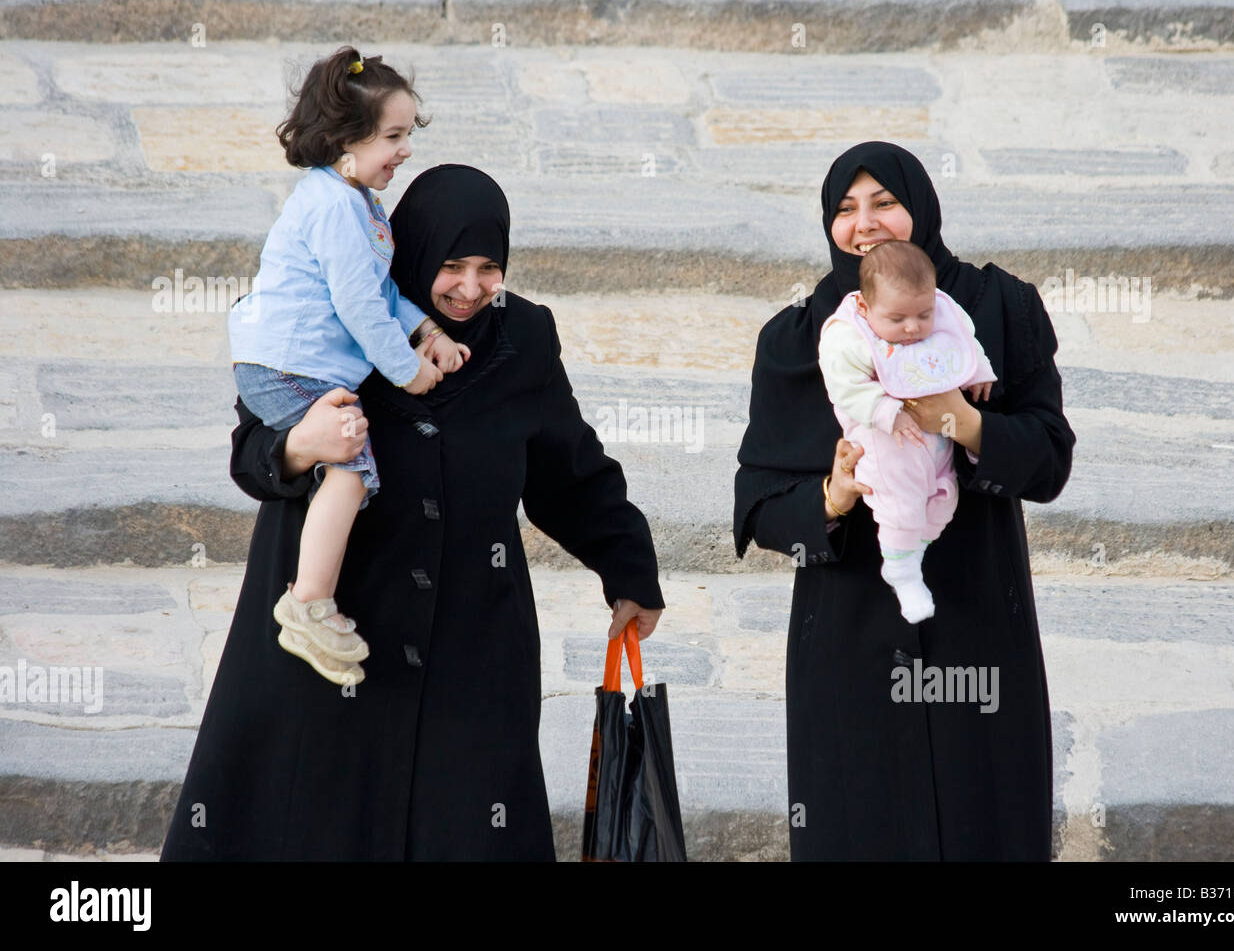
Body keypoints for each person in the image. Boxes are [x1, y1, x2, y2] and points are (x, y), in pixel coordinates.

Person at [162, 164, 665, 860]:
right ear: (413, 254)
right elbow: (252, 458)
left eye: (489, 268)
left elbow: (569, 472)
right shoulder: (330, 311)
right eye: (451, 266)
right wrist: (301, 446)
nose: (470, 288)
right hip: (336, 638)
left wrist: (629, 568)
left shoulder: (524, 337)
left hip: (470, 639)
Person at [734, 141, 1075, 860]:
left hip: (977, 624)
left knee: (986, 823)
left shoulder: (996, 308)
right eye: (845, 209)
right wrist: (831, 497)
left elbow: (1049, 461)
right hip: (848, 637)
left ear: (920, 207)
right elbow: (759, 504)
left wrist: (965, 423)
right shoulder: (799, 339)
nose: (865, 223)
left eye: (884, 202)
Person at [228, 46, 469, 685]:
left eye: (408, 134)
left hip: (298, 362)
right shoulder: (333, 205)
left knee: (349, 464)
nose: (405, 150)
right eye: (393, 136)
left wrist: (427, 330)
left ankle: (313, 597)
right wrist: (407, 370)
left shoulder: (356, 200)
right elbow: (358, 304)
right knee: (352, 465)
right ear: (345, 139)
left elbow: (382, 291)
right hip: (286, 365)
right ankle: (308, 602)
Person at [818, 239, 995, 623]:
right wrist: (886, 411)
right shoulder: (849, 335)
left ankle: (912, 555)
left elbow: (963, 341)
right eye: (897, 319)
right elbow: (844, 386)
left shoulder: (943, 310)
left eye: (923, 314)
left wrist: (978, 369)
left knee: (944, 496)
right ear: (865, 308)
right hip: (884, 440)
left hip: (936, 442)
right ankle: (901, 570)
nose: (913, 327)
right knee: (900, 506)